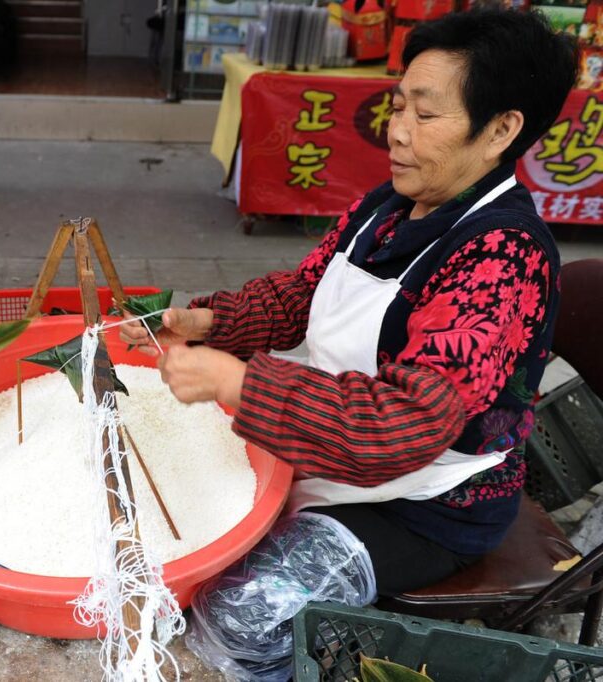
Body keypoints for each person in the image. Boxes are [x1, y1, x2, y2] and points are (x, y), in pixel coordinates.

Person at [122, 8, 577, 679]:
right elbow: (303, 293)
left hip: (423, 505)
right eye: (397, 108)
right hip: (324, 447)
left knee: (241, 614)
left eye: (426, 116)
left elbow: (404, 424)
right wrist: (210, 322)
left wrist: (237, 384)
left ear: (502, 130)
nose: (397, 133)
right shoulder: (389, 206)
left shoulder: (503, 260)